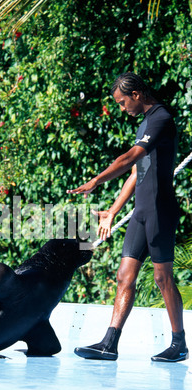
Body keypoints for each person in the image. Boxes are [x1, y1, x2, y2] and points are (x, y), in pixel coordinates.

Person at [67, 72, 188, 362]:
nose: (122, 109)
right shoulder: (146, 124)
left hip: (160, 210)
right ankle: (110, 343)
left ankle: (179, 344)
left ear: (136, 94)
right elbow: (136, 172)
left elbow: (129, 159)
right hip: (142, 212)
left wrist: (96, 180)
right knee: (124, 276)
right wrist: (113, 210)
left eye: (122, 103)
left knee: (162, 278)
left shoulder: (160, 118)